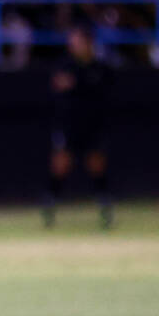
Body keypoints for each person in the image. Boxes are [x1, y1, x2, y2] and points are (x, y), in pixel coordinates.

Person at [44, 27, 114, 229]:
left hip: (93, 124)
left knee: (96, 164)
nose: (73, 45)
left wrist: (77, 84)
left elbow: (105, 91)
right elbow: (59, 84)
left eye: (77, 41)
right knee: (60, 164)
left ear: (88, 42)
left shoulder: (100, 67)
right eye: (71, 41)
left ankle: (105, 207)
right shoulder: (64, 65)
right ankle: (49, 204)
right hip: (68, 124)